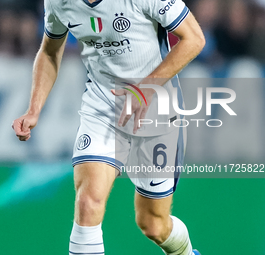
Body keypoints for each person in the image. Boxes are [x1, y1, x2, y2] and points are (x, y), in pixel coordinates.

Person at [12, 0, 205, 254]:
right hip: (102, 106)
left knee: (153, 224)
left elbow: (194, 39)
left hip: (157, 108)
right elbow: (49, 50)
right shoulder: (58, 2)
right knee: (87, 203)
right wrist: (34, 109)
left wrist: (145, 88)